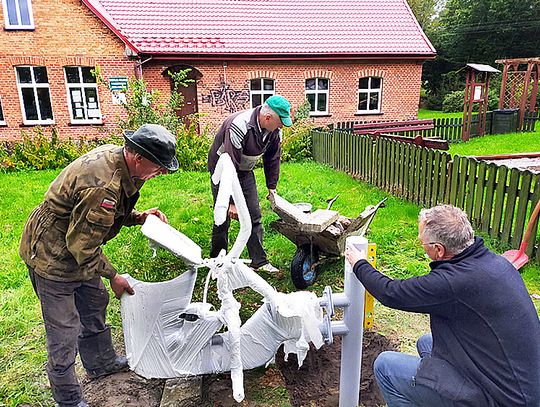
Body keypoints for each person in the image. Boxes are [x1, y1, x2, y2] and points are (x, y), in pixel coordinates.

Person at [19, 124, 179, 407]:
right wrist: (114, 275)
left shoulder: (123, 163)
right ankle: (68, 400)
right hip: (51, 256)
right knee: (63, 331)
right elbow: (83, 246)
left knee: (94, 300)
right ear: (139, 156)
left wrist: (138, 216)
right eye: (160, 166)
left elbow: (105, 215)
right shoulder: (102, 185)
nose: (163, 173)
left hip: (76, 244)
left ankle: (100, 363)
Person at [346, 204, 540, 407]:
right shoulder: (495, 263)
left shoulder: (454, 282)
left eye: (422, 242)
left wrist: (359, 263)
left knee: (386, 366)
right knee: (426, 343)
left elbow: (390, 293)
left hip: (502, 400)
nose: (421, 244)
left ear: (439, 249)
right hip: (524, 385)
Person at [207, 95, 292, 273]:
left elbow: (272, 159)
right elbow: (230, 164)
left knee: (254, 214)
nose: (282, 126)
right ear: (268, 118)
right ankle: (216, 261)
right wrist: (230, 201)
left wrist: (272, 187)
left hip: (244, 170)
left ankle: (259, 262)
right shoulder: (239, 125)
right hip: (222, 169)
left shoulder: (274, 130)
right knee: (222, 217)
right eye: (280, 122)